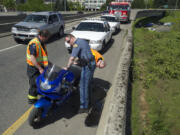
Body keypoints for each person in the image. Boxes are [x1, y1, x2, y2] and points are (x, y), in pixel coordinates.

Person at [64, 34, 96, 113]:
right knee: (86, 84)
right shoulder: (82, 41)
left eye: (68, 41)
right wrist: (78, 62)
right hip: (90, 63)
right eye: (67, 42)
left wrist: (67, 67)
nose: (68, 43)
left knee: (83, 86)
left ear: (72, 38)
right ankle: (88, 101)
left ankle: (84, 107)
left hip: (88, 65)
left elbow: (72, 58)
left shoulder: (76, 44)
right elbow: (84, 53)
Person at [26, 30, 50, 104]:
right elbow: (32, 58)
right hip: (33, 68)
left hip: (40, 66)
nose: (47, 39)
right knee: (34, 84)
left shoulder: (42, 43)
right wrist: (39, 68)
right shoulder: (34, 43)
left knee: (40, 82)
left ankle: (38, 95)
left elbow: (43, 56)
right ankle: (32, 99)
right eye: (46, 38)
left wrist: (49, 64)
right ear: (42, 36)